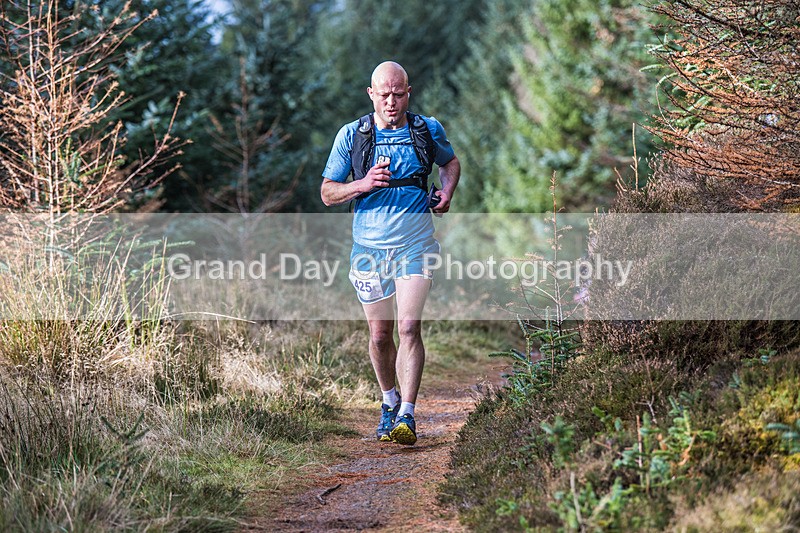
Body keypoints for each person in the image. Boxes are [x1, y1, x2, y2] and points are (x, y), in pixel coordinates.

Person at [320, 61, 460, 445]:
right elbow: (328, 192)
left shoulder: (426, 130)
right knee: (381, 335)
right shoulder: (352, 135)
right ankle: (388, 401)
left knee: (408, 327)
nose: (391, 101)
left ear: (408, 92)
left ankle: (407, 415)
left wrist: (446, 193)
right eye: (384, 94)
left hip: (416, 244)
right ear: (371, 94)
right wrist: (361, 184)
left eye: (398, 93)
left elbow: (449, 163)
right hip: (368, 250)